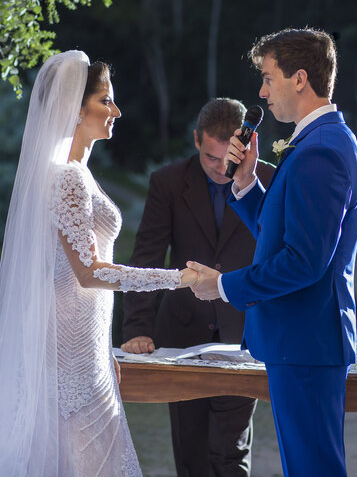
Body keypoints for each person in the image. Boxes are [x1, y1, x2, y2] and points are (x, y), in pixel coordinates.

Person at [0, 51, 196, 477]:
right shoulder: (67, 177)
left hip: (86, 342)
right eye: (106, 101)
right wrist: (179, 277)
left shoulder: (78, 173)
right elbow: (91, 272)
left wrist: (104, 353)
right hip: (69, 346)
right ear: (75, 107)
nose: (117, 111)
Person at [187, 28, 357, 477]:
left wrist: (224, 285)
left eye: (268, 78)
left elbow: (304, 261)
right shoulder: (319, 143)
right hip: (303, 342)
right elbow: (286, 231)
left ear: (299, 78)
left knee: (314, 469)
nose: (262, 92)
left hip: (306, 341)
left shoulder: (320, 150)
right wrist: (246, 182)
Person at [120, 98, 274, 477]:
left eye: (229, 159)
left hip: (245, 336)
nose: (222, 169)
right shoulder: (168, 183)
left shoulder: (272, 180)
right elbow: (147, 258)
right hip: (182, 336)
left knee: (229, 452)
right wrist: (138, 327)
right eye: (210, 158)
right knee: (190, 455)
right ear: (195, 140)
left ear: (247, 146)